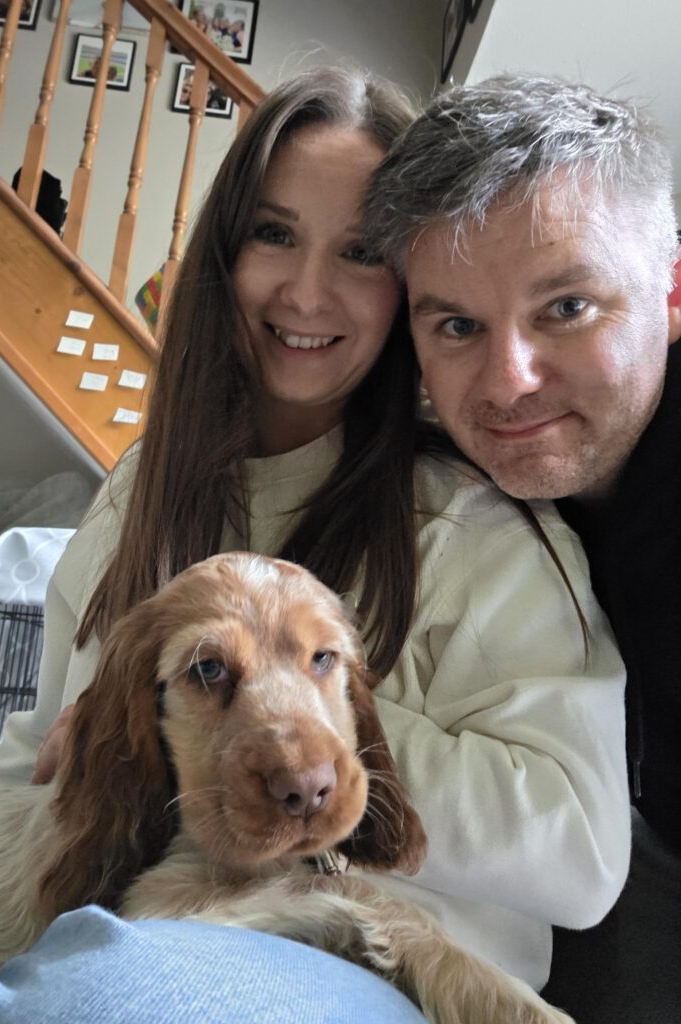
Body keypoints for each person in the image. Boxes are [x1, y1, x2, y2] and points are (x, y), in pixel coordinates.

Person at [0, 68, 629, 1020]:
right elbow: (47, 745)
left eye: (359, 251)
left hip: (378, 965)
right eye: (274, 234)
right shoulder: (145, 488)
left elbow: (582, 859)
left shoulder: (474, 526)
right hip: (126, 920)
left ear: (405, 288)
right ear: (225, 255)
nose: (308, 292)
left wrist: (290, 704)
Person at [365, 73, 681, 1023]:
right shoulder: (460, 497)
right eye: (458, 326)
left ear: (669, 291)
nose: (509, 381)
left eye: (567, 308)